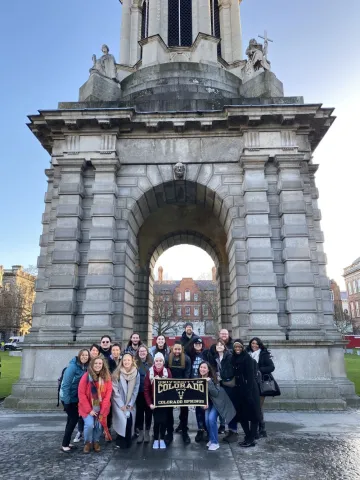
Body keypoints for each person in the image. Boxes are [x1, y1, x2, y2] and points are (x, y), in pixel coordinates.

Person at [78, 356, 112, 453]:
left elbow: (108, 395)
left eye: (100, 363)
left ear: (103, 365)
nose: (98, 365)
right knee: (89, 424)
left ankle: (95, 441)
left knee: (98, 425)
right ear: (92, 364)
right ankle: (88, 442)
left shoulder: (107, 377)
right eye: (96, 363)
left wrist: (102, 410)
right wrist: (90, 410)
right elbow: (81, 394)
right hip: (87, 407)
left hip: (101, 407)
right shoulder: (86, 377)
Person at [199, 361, 236, 451]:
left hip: (218, 402)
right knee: (207, 420)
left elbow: (215, 393)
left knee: (212, 419)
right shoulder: (198, 379)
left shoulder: (214, 379)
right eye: (201, 367)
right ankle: (212, 439)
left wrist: (210, 383)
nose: (202, 369)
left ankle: (215, 443)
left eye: (204, 368)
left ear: (208, 370)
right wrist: (202, 404)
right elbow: (198, 395)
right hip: (209, 403)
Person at [232, 339, 261, 448]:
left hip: (250, 390)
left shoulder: (247, 359)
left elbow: (250, 376)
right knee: (242, 416)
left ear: (243, 348)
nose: (238, 349)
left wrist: (248, 393)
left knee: (254, 415)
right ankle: (248, 436)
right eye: (236, 347)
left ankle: (251, 438)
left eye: (239, 347)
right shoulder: (233, 358)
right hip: (239, 390)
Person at [59, 349, 89, 453]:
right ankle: (64, 444)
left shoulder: (85, 367)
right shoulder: (72, 367)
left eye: (86, 355)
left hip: (75, 398)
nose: (85, 357)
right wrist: (66, 402)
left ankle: (66, 442)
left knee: (70, 420)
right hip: (68, 398)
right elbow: (66, 385)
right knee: (73, 419)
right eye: (83, 355)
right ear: (79, 356)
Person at [207, 338, 236, 439]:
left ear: (224, 347)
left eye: (221, 345)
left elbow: (229, 371)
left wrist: (220, 376)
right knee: (223, 407)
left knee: (230, 407)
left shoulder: (229, 356)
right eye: (217, 345)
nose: (219, 346)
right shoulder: (215, 357)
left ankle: (233, 430)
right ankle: (227, 428)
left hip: (228, 384)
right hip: (221, 384)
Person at [144, 352, 173, 449]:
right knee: (156, 421)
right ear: (154, 362)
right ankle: (156, 439)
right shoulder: (150, 372)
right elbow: (146, 389)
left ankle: (162, 438)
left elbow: (172, 386)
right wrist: (149, 403)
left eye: (160, 361)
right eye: (157, 361)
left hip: (164, 402)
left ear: (163, 362)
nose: (159, 362)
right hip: (154, 402)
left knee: (164, 421)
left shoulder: (167, 371)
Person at [248, 336, 275, 438]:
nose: (254, 345)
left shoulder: (264, 354)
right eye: (252, 343)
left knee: (258, 406)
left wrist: (259, 370)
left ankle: (260, 428)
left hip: (260, 384)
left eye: (256, 344)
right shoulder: (248, 354)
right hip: (250, 384)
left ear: (259, 345)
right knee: (254, 407)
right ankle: (261, 428)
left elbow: (271, 367)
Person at [112, 353, 140, 449]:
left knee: (130, 419)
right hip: (119, 402)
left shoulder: (136, 373)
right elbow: (115, 391)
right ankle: (121, 439)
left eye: (128, 360)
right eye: (124, 360)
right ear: (122, 362)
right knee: (123, 420)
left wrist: (131, 403)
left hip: (130, 402)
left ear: (132, 361)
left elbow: (135, 389)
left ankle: (128, 440)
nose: (126, 362)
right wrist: (121, 405)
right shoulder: (117, 373)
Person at [166, 341, 192, 444]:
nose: (177, 351)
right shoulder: (168, 358)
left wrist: (183, 384)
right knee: (169, 411)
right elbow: (166, 371)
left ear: (181, 350)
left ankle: (185, 431)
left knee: (184, 411)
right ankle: (169, 433)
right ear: (172, 349)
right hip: (170, 387)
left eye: (179, 349)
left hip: (183, 386)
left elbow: (188, 373)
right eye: (175, 349)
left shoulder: (186, 359)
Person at [134, 345, 153, 444]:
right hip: (139, 391)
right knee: (140, 413)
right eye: (140, 351)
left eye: (144, 351)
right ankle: (140, 431)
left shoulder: (152, 363)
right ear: (138, 352)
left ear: (147, 352)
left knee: (149, 413)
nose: (142, 353)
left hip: (149, 392)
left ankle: (147, 432)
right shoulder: (134, 363)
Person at [189, 338, 207, 442]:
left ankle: (206, 428)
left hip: (204, 384)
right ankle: (200, 429)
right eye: (196, 343)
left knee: (205, 407)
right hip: (193, 384)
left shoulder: (206, 354)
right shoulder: (190, 354)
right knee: (198, 409)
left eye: (200, 343)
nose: (198, 345)